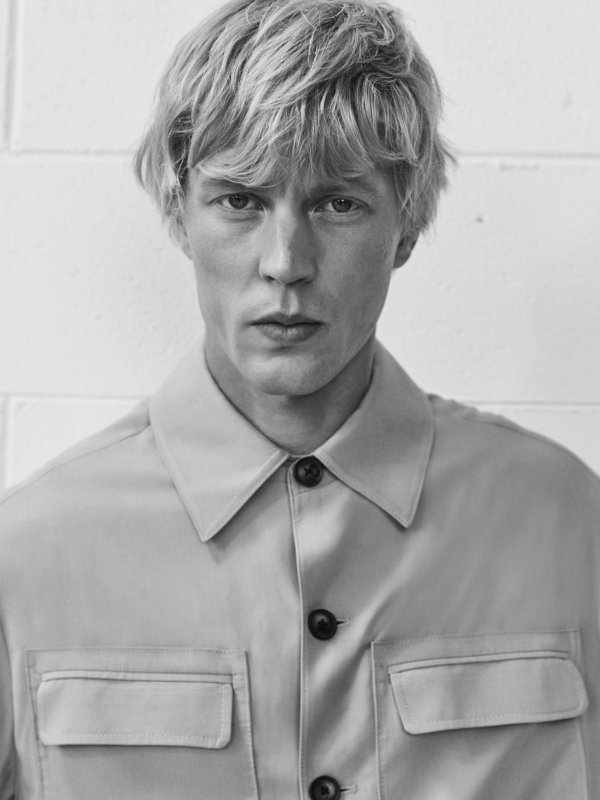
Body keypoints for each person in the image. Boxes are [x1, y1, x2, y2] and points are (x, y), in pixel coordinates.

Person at [0, 0, 598, 798]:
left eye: (338, 203)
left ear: (407, 224)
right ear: (179, 214)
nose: (286, 262)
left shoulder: (570, 524)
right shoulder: (26, 556)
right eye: (240, 200)